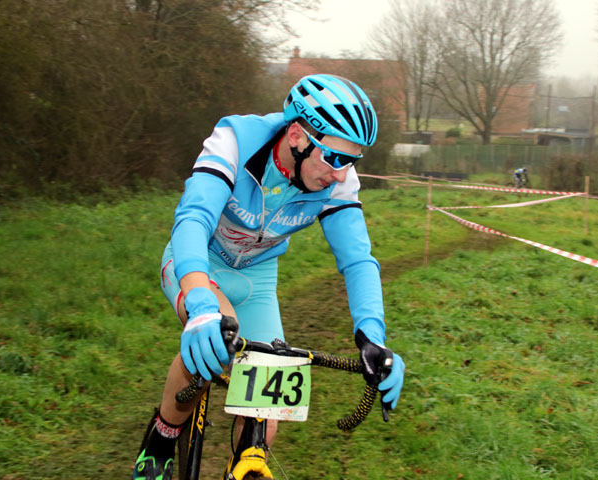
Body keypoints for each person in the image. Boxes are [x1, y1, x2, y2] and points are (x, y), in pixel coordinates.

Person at [133, 74, 406, 480]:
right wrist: (201, 304)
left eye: (352, 161)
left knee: (267, 415)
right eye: (333, 157)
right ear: (296, 135)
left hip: (258, 276)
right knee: (217, 340)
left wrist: (372, 335)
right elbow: (193, 219)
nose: (340, 173)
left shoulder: (339, 181)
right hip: (199, 260)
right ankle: (162, 437)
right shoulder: (235, 139)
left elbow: (358, 260)